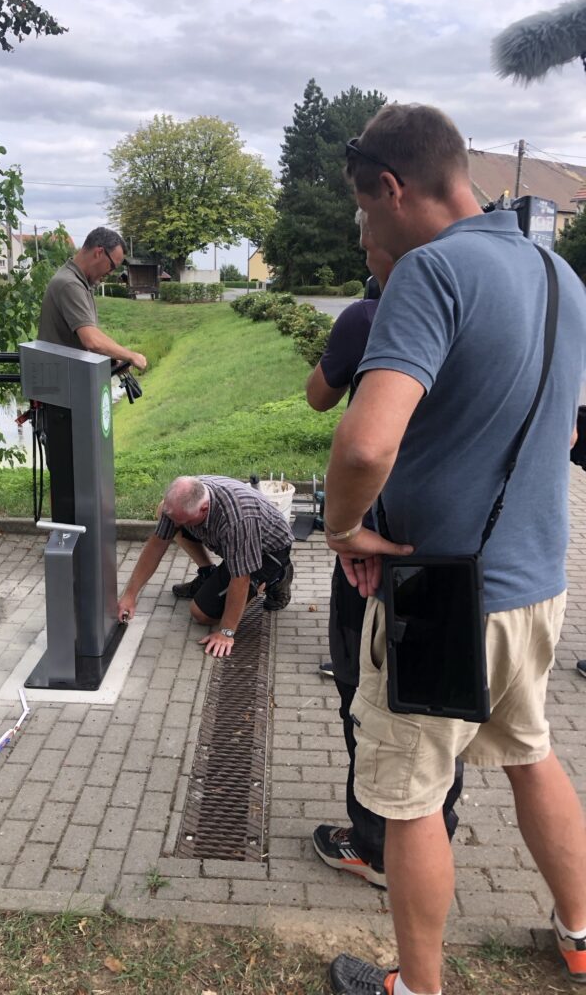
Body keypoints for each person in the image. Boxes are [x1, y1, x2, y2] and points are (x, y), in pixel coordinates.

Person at [322, 104, 586, 995]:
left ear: (393, 189)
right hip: (536, 585)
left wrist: (344, 528)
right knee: (530, 754)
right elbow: (556, 428)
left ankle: (418, 988)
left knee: (410, 799)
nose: (367, 232)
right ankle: (581, 936)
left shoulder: (431, 274)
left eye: (365, 210)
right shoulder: (558, 276)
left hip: (440, 600)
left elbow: (365, 443)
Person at [306, 212, 464, 892]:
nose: (362, 246)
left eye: (366, 234)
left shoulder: (367, 317)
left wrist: (341, 528)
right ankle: (434, 830)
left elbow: (322, 401)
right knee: (440, 698)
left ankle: (374, 846)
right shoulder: (477, 302)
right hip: (455, 543)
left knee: (361, 690)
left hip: (375, 541)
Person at [117, 475, 294, 658]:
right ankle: (207, 572)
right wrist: (130, 595)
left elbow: (240, 578)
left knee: (201, 614)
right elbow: (156, 545)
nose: (176, 525)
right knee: (164, 511)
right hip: (236, 544)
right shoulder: (188, 496)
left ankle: (277, 577)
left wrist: (226, 632)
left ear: (204, 509)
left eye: (183, 521)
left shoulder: (237, 519)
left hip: (268, 553)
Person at [37, 226, 146, 370]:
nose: (111, 272)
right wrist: (131, 356)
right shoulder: (70, 284)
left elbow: (89, 336)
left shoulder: (80, 281)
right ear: (99, 253)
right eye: (112, 266)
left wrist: (114, 358)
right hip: (62, 379)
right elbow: (91, 340)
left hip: (68, 375)